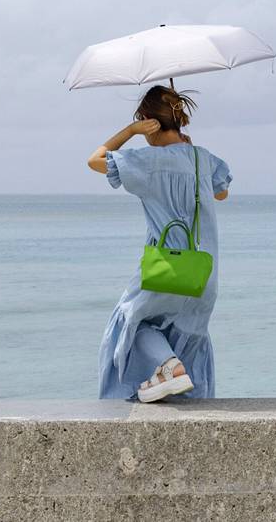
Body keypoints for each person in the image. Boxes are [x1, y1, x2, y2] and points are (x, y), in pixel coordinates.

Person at [87, 85, 231, 402]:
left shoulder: (147, 160)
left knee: (130, 319)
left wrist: (131, 131)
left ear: (148, 120)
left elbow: (94, 160)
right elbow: (222, 192)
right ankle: (173, 380)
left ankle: (169, 368)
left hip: (167, 266)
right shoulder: (202, 159)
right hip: (204, 271)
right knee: (188, 337)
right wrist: (190, 156)